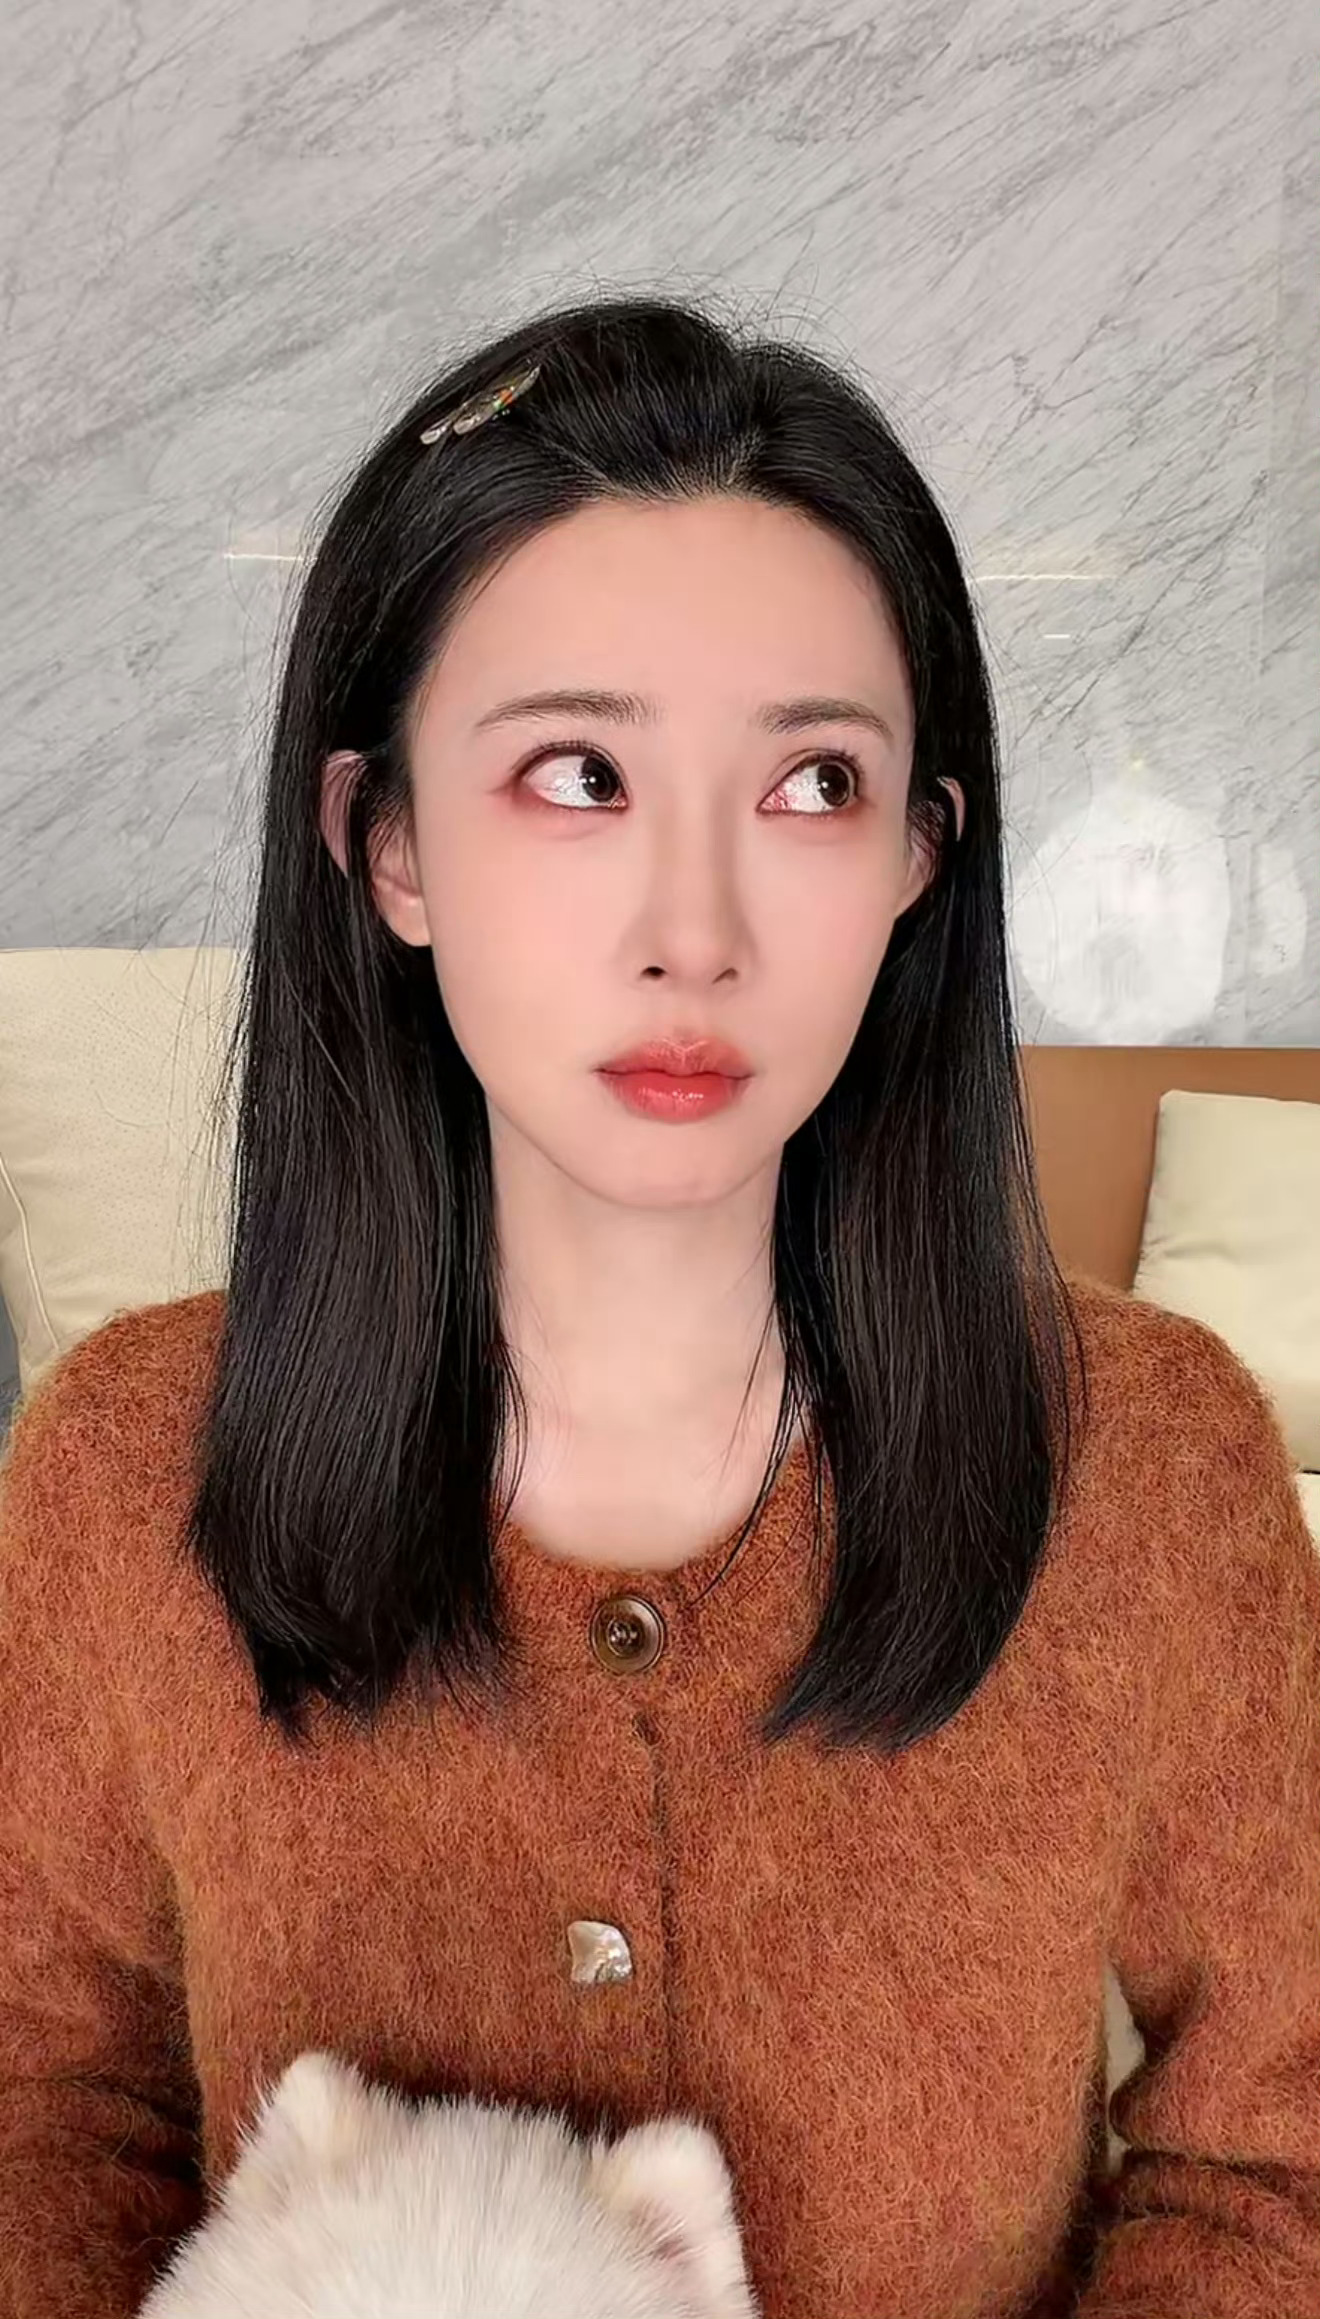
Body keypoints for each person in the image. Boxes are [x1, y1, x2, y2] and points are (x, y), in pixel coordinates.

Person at [2, 293, 1318, 2319]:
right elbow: (44, 2101)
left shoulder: (1147, 1465)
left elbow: (1279, 2151)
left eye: (811, 785)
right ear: (388, 843)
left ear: (916, 859)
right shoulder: (120, 1467)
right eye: (578, 772)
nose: (694, 930)